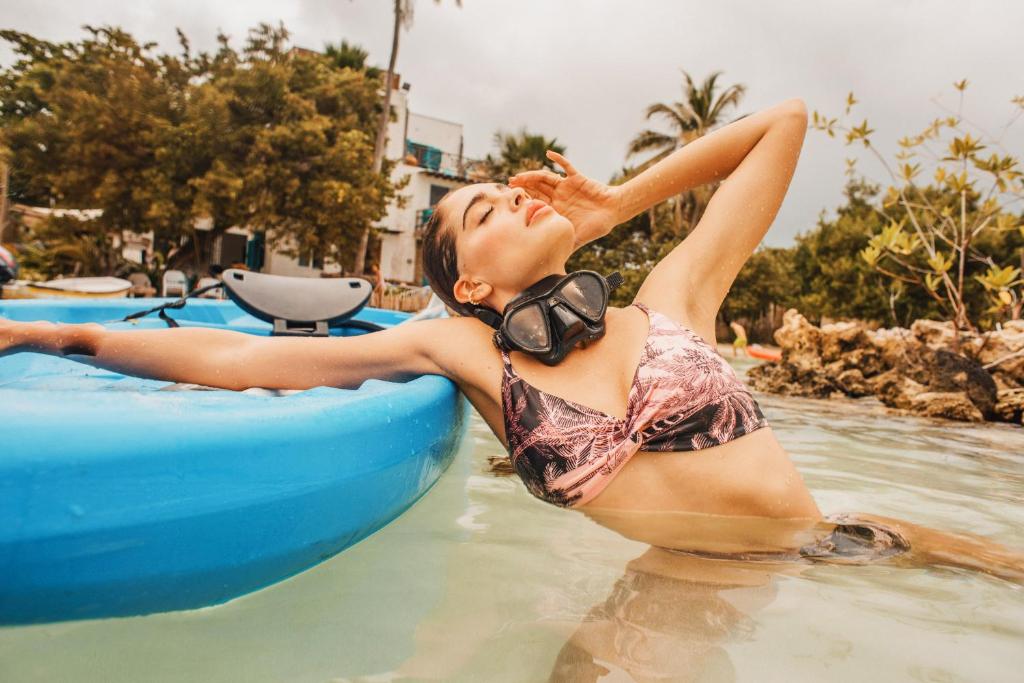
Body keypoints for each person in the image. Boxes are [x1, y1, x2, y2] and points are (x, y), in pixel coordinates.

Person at [2, 98, 1021, 578]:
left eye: (509, 191)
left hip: (851, 536)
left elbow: (783, 125)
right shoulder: (461, 352)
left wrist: (611, 203)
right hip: (688, 578)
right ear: (473, 283)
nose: (516, 199)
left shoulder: (674, 298)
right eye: (485, 210)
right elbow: (241, 361)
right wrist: (53, 333)